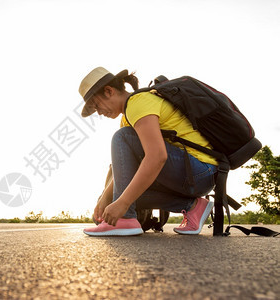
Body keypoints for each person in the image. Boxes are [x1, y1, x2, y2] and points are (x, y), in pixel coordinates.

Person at [79, 67, 217, 236]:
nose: (99, 113)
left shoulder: (138, 103)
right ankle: (193, 207)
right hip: (193, 175)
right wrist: (106, 199)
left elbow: (157, 156)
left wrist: (122, 205)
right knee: (124, 198)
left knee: (121, 138)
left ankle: (125, 221)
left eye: (96, 106)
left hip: (201, 170)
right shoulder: (127, 118)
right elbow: (123, 172)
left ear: (108, 91)